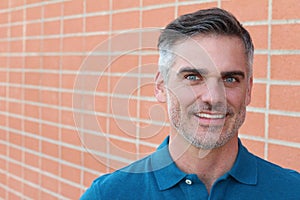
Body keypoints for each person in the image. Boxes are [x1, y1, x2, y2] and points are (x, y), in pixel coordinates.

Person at [80, 8, 300, 199]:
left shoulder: (292, 191)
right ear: (161, 87)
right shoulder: (109, 195)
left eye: (230, 79)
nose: (213, 98)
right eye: (193, 77)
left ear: (249, 89)